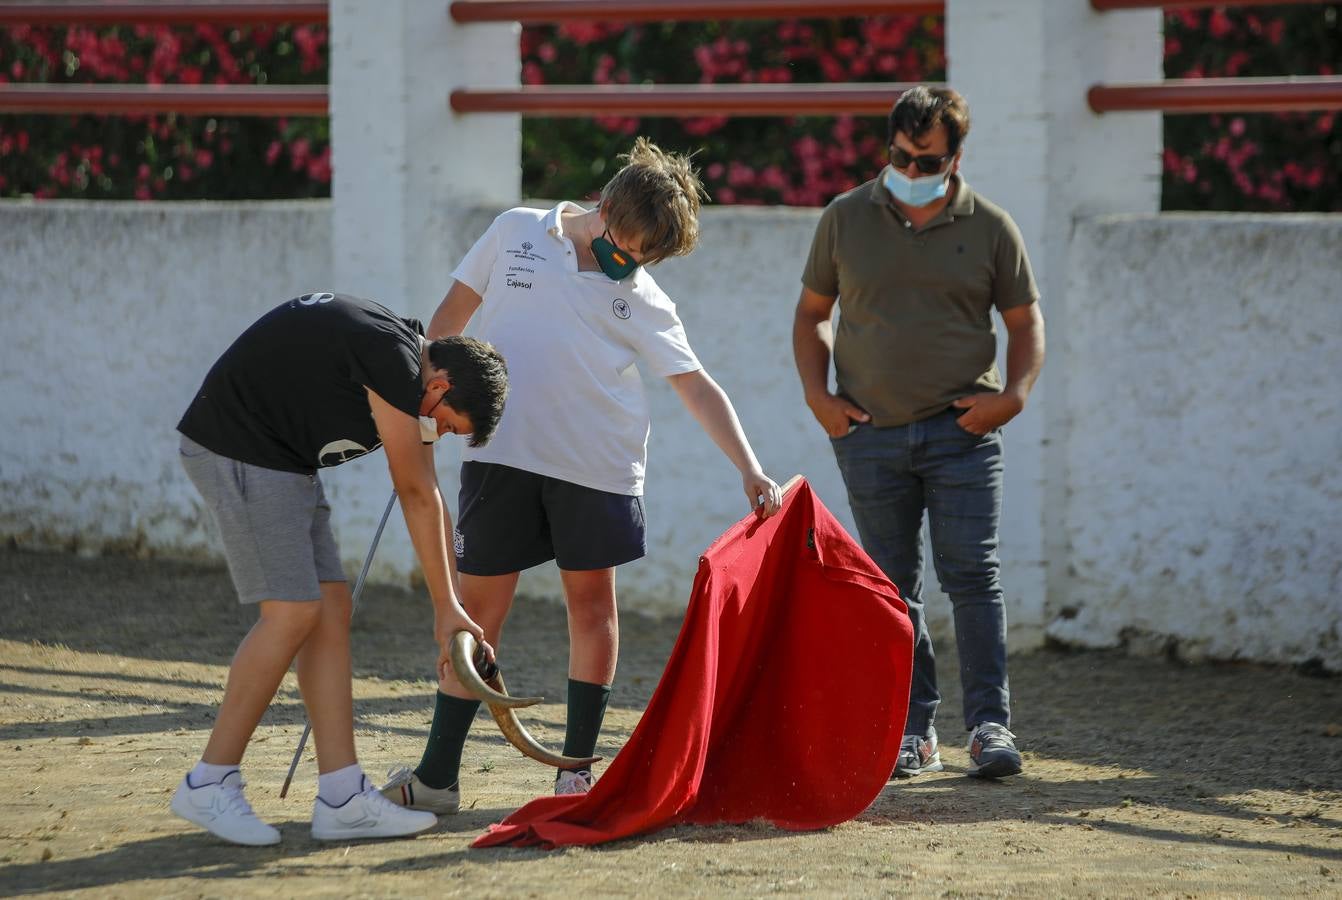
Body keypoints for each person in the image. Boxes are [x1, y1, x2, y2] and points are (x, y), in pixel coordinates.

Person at [379, 137, 783, 812]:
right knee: (477, 613)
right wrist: (418, 406)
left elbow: (697, 386)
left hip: (597, 467)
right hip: (498, 454)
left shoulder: (644, 297)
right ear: (602, 207)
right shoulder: (514, 232)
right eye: (622, 248)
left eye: (643, 260)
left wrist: (750, 467)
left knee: (593, 609)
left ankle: (575, 774)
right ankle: (438, 777)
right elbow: (448, 323)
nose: (627, 265)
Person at [170, 292, 508, 845]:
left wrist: (454, 609)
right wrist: (446, 610)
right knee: (292, 612)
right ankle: (209, 781)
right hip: (237, 446)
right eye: (446, 425)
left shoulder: (409, 365)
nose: (438, 433)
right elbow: (416, 492)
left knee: (329, 610)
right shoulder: (396, 364)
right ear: (440, 387)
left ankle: (343, 798)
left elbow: (431, 494)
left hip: (281, 460)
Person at [792, 86, 1045, 780]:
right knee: (892, 586)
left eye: (924, 157)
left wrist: (1014, 397)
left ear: (954, 156)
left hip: (963, 431)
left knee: (973, 576)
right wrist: (821, 398)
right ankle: (913, 731)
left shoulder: (990, 226)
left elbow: (1025, 324)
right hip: (869, 434)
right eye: (899, 154)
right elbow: (813, 312)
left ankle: (990, 727)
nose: (908, 167)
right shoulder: (845, 218)